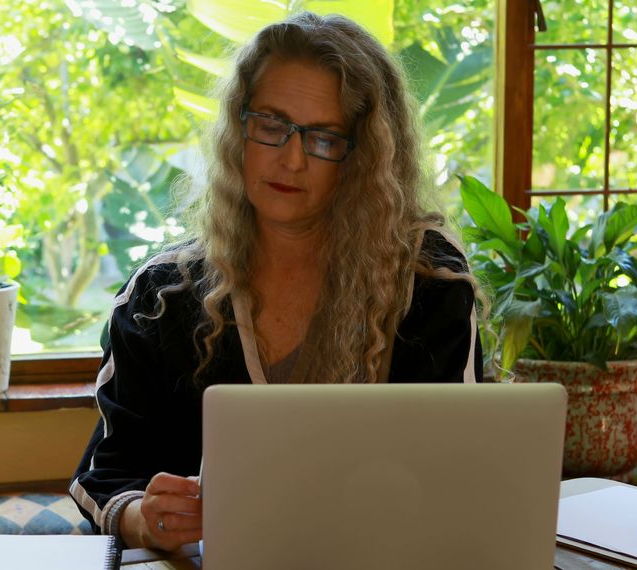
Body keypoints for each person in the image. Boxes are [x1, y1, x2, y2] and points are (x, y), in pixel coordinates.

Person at [69, 11, 483, 552]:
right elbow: (106, 473)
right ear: (238, 128)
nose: (290, 159)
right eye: (272, 125)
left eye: (323, 138)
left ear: (365, 156)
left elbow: (459, 471)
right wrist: (144, 518)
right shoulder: (160, 297)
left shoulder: (427, 279)